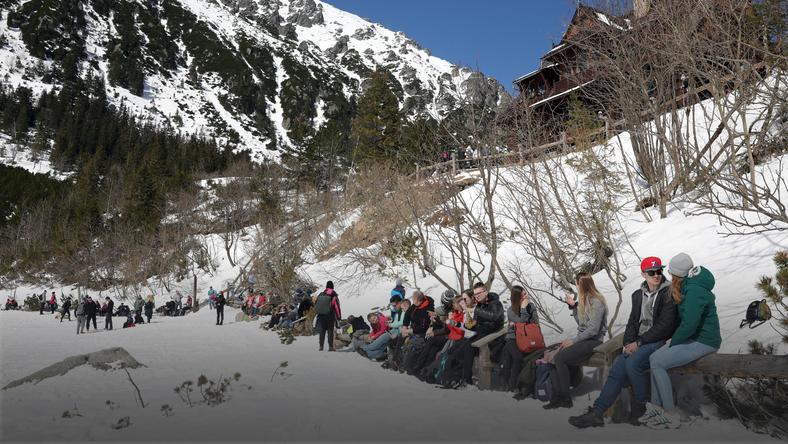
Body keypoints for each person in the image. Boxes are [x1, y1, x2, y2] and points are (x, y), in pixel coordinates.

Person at [570, 257, 679, 428]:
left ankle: (644, 410)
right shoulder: (637, 295)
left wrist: (639, 343)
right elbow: (632, 323)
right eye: (652, 272)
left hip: (659, 340)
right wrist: (628, 344)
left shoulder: (668, 293)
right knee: (617, 370)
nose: (656, 275)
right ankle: (597, 413)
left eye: (659, 271)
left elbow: (665, 326)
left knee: (633, 364)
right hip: (639, 342)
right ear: (643, 274)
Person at [639, 253, 720, 429]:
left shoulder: (694, 291)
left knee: (659, 363)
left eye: (672, 273)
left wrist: (674, 340)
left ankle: (670, 413)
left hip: (705, 341)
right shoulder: (690, 284)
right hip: (694, 337)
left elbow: (690, 324)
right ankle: (656, 408)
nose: (669, 276)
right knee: (654, 358)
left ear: (678, 275)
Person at [544, 272, 608, 409]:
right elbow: (581, 324)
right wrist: (573, 307)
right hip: (584, 340)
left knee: (560, 358)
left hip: (594, 341)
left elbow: (593, 330)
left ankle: (565, 398)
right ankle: (557, 396)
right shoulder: (584, 300)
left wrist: (573, 341)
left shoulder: (597, 301)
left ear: (581, 284)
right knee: (553, 355)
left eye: (576, 283)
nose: (576, 286)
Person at [458, 283, 504, 386]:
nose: (477, 296)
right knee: (459, 347)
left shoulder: (496, 303)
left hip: (494, 338)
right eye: (475, 294)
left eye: (479, 293)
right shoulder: (480, 305)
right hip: (481, 335)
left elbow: (494, 316)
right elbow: (474, 325)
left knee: (468, 347)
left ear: (486, 292)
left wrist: (475, 310)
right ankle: (459, 377)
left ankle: (467, 380)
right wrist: (466, 323)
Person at [501, 285, 540, 392]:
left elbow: (535, 323)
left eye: (526, 293)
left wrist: (521, 322)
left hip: (529, 338)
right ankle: (512, 387)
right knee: (517, 358)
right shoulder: (510, 310)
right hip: (512, 339)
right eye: (523, 295)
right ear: (517, 297)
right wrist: (523, 310)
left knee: (534, 356)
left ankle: (529, 386)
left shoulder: (531, 306)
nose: (526, 296)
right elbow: (522, 322)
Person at [315, 281, 341, 351]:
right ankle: (330, 347)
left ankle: (321, 346)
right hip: (330, 315)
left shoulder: (321, 294)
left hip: (321, 315)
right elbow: (337, 307)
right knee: (330, 330)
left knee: (322, 330)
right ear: (333, 287)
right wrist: (339, 317)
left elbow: (316, 304)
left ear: (326, 287)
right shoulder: (333, 295)